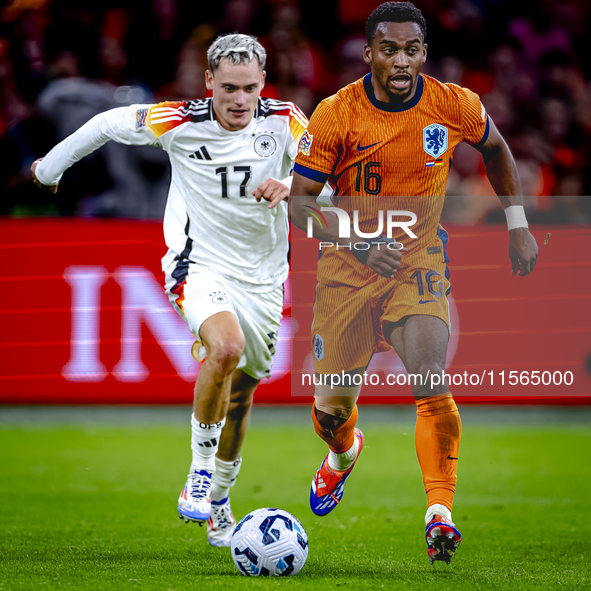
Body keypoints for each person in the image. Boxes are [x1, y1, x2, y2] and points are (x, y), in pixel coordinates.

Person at [31, 33, 309, 548]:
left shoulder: (288, 120)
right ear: (208, 82)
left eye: (249, 88)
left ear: (263, 84)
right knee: (223, 347)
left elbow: (330, 180)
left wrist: (293, 186)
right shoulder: (178, 121)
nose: (239, 101)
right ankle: (200, 472)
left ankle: (221, 502)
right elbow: (106, 124)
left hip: (265, 279)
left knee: (243, 394)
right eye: (228, 88)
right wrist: (50, 169)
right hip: (199, 264)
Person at [289, 1, 538, 565]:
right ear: (369, 52)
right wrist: (359, 244)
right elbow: (300, 208)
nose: (401, 60)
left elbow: (496, 148)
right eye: (389, 49)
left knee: (429, 377)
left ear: (423, 52)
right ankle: (343, 454)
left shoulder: (453, 104)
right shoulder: (335, 114)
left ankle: (439, 514)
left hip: (418, 261)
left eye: (412, 49)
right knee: (329, 414)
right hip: (346, 274)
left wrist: (517, 223)